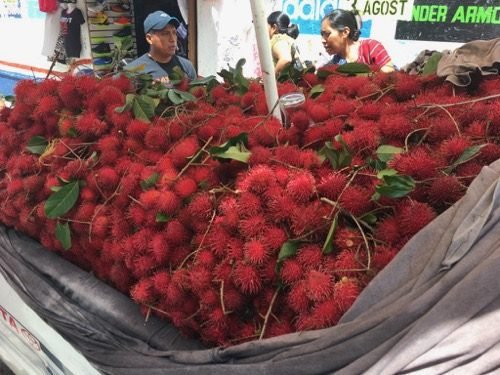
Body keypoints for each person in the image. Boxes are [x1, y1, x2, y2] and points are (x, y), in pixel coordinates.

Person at [126, 10, 196, 82]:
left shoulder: (187, 66)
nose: (172, 39)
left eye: (174, 33)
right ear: (149, 38)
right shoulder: (133, 71)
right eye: (165, 33)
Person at [320, 9, 395, 73]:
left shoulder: (371, 48)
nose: (322, 40)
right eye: (322, 35)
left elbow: (389, 75)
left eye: (327, 34)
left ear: (345, 32)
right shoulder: (333, 66)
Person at [267, 11, 304, 75]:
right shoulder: (288, 39)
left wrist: (271, 78)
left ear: (274, 28)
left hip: (286, 83)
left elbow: (286, 59)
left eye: (266, 26)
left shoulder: (277, 39)